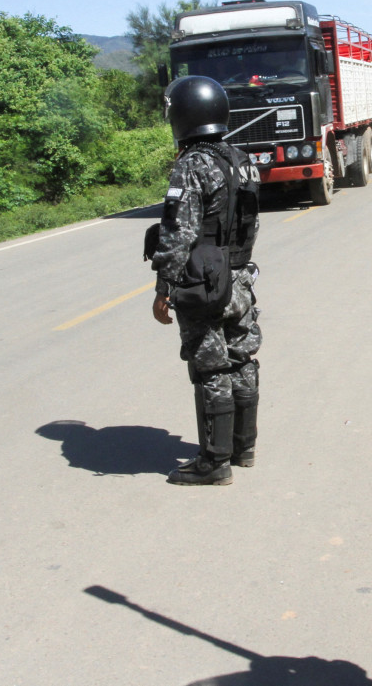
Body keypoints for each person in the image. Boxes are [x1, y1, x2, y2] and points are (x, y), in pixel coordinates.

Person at [149, 75, 262, 486]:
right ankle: (243, 448)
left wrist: (164, 287)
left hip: (204, 283)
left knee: (210, 367)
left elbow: (179, 233)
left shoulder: (192, 165)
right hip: (240, 278)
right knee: (242, 358)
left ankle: (214, 463)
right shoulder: (241, 158)